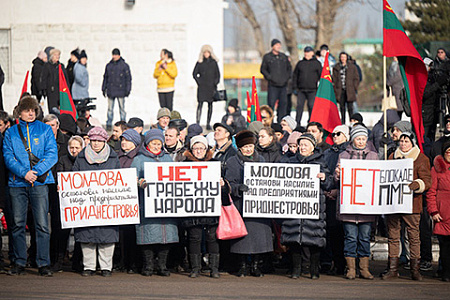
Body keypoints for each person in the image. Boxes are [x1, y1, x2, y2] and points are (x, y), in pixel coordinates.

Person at [3, 96, 58, 276]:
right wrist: (23, 173)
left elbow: (52, 154)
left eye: (33, 110)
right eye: (27, 110)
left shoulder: (45, 130)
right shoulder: (11, 133)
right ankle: (19, 262)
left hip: (40, 182)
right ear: (20, 112)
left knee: (42, 224)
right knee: (17, 224)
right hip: (17, 183)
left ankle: (43, 263)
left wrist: (35, 171)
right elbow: (8, 157)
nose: (31, 113)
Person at [382, 132, 431, 281]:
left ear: (412, 143)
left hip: (412, 203)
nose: (403, 144)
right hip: (395, 202)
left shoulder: (421, 158)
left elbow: (427, 180)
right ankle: (393, 269)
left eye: (406, 141)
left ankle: (415, 269)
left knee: (413, 236)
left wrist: (417, 184)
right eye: (401, 141)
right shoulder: (392, 157)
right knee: (393, 235)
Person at [281, 133, 331, 279]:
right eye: (300, 145)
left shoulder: (321, 163)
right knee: (294, 239)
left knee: (314, 239)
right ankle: (297, 270)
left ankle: (314, 270)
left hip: (314, 207)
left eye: (305, 145)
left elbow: (329, 184)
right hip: (294, 207)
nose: (302, 148)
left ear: (312, 148)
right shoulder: (290, 162)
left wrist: (324, 178)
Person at [224, 130, 273, 277]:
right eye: (245, 147)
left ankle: (256, 265)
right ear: (239, 147)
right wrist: (238, 188)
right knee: (242, 239)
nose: (248, 149)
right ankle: (242, 266)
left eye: (250, 146)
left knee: (259, 238)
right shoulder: (232, 162)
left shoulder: (262, 160)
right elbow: (229, 184)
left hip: (259, 206)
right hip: (241, 205)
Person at [72, 127, 120, 277]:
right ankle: (89, 266)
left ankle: (106, 267)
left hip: (107, 204)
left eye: (99, 141)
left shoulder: (113, 158)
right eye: (93, 141)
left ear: (105, 141)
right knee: (87, 236)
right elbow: (74, 178)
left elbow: (119, 179)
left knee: (107, 236)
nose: (96, 144)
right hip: (87, 204)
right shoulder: (81, 158)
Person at [131, 129, 178, 277]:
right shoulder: (139, 159)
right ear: (148, 144)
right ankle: (148, 266)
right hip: (147, 204)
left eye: (159, 143)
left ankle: (162, 266)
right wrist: (139, 182)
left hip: (166, 205)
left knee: (166, 237)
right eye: (154, 143)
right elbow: (131, 178)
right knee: (148, 237)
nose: (157, 146)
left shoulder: (167, 158)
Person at [335, 125, 378, 280]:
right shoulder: (343, 156)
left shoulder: (374, 156)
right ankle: (351, 268)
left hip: (366, 207)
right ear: (353, 139)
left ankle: (364, 268)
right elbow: (336, 179)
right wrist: (338, 173)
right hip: (349, 206)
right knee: (351, 237)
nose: (361, 141)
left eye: (363, 139)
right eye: (358, 138)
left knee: (365, 238)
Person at [180, 135, 220, 278]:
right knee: (194, 238)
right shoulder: (184, 165)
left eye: (201, 148)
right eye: (195, 148)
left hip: (210, 207)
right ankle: (195, 268)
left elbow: (225, 189)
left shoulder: (215, 164)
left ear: (206, 149)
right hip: (192, 209)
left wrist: (222, 184)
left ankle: (214, 269)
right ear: (191, 149)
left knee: (212, 238)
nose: (198, 151)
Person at [52, 135, 85, 272]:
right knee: (62, 234)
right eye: (71, 147)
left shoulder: (85, 161)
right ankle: (58, 261)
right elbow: (58, 175)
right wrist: (60, 185)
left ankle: (77, 262)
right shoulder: (63, 160)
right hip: (65, 204)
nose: (74, 150)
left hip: (82, 204)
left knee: (80, 235)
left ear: (82, 148)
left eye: (77, 148)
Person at [321, 125, 349, 275]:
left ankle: (342, 264)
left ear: (346, 136)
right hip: (329, 197)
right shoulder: (327, 153)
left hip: (344, 198)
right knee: (331, 232)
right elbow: (324, 171)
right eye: (333, 134)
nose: (335, 137)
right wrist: (327, 188)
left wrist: (338, 191)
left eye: (338, 134)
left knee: (342, 233)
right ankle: (331, 262)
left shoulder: (349, 152)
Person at [116, 129, 141, 274]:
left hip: (135, 200)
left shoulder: (138, 157)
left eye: (127, 140)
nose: (124, 143)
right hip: (120, 200)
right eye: (123, 140)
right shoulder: (116, 156)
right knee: (122, 234)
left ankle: (133, 263)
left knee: (133, 233)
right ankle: (123, 262)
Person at [427, 141, 450, 282]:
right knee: (445, 247)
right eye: (447, 150)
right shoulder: (437, 169)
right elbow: (431, 192)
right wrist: (433, 211)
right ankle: (446, 273)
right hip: (443, 214)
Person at [260, 39, 292, 123]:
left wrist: (286, 78)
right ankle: (270, 122)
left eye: (279, 45)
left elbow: (289, 69)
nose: (279, 47)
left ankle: (280, 123)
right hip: (272, 85)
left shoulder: (283, 57)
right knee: (271, 105)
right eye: (277, 45)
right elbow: (263, 69)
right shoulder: (267, 57)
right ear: (272, 46)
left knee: (283, 105)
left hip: (283, 85)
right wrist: (270, 77)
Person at [102, 48, 132, 131]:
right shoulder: (109, 65)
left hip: (121, 91)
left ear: (119, 55)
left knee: (122, 109)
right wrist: (103, 88)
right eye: (113, 55)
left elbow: (128, 79)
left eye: (115, 55)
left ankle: (123, 124)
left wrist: (128, 90)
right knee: (110, 109)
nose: (114, 56)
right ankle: (109, 124)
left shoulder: (124, 65)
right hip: (111, 90)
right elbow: (105, 77)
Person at [292, 46, 322, 124]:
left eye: (308, 52)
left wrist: (321, 88)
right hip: (301, 90)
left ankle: (311, 122)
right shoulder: (300, 63)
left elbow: (321, 76)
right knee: (299, 107)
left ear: (312, 53)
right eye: (305, 52)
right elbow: (295, 76)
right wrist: (295, 87)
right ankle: (297, 122)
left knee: (311, 106)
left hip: (312, 90)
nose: (306, 54)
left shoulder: (317, 63)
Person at [193, 45, 220, 130]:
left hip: (211, 87)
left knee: (210, 105)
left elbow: (217, 75)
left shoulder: (214, 63)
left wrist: (215, 83)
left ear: (210, 53)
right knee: (200, 104)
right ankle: (198, 122)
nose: (206, 54)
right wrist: (199, 82)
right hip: (202, 87)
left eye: (207, 52)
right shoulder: (200, 62)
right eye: (204, 52)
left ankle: (208, 123)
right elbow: (194, 73)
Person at [332, 52, 360, 124]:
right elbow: (334, 79)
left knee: (350, 108)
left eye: (344, 57)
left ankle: (351, 122)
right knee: (342, 108)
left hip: (350, 90)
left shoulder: (352, 67)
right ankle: (343, 123)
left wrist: (354, 87)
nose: (343, 59)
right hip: (340, 91)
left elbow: (356, 78)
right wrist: (335, 89)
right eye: (342, 57)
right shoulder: (336, 67)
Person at [40, 49, 69, 113]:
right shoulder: (47, 66)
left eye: (58, 55)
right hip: (51, 92)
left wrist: (67, 89)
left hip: (60, 91)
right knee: (53, 109)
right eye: (55, 55)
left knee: (61, 109)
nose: (57, 57)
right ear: (51, 56)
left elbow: (65, 79)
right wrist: (44, 90)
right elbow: (43, 78)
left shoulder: (61, 66)